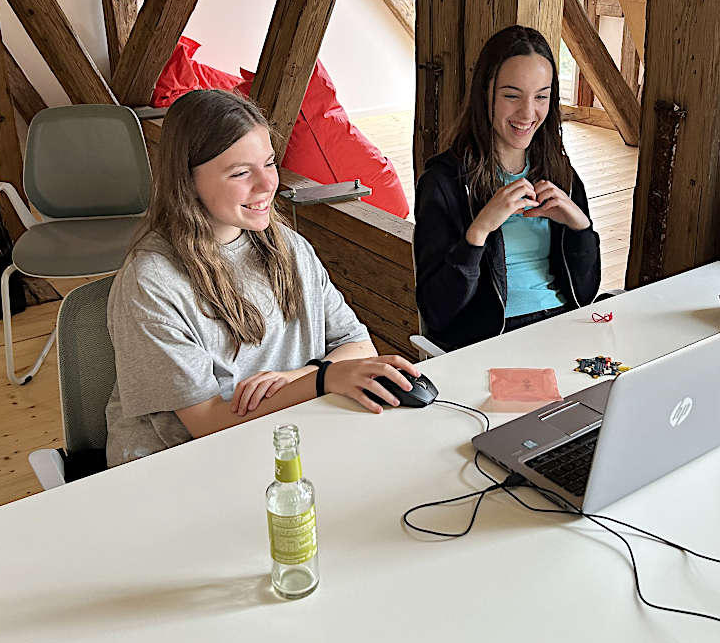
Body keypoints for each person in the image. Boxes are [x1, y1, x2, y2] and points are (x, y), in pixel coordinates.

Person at [105, 89, 418, 467]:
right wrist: (322, 380)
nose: (268, 184)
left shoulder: (288, 245)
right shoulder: (151, 282)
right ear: (187, 182)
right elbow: (206, 423)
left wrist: (301, 376)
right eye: (240, 172)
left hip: (286, 437)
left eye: (269, 163)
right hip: (180, 464)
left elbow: (358, 345)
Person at [413, 25, 601, 351]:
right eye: (512, 95)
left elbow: (585, 293)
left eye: (541, 97)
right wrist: (479, 231)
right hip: (491, 341)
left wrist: (580, 228)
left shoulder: (560, 173)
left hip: (564, 329)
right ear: (485, 93)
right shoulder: (443, 182)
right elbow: (437, 311)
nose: (528, 113)